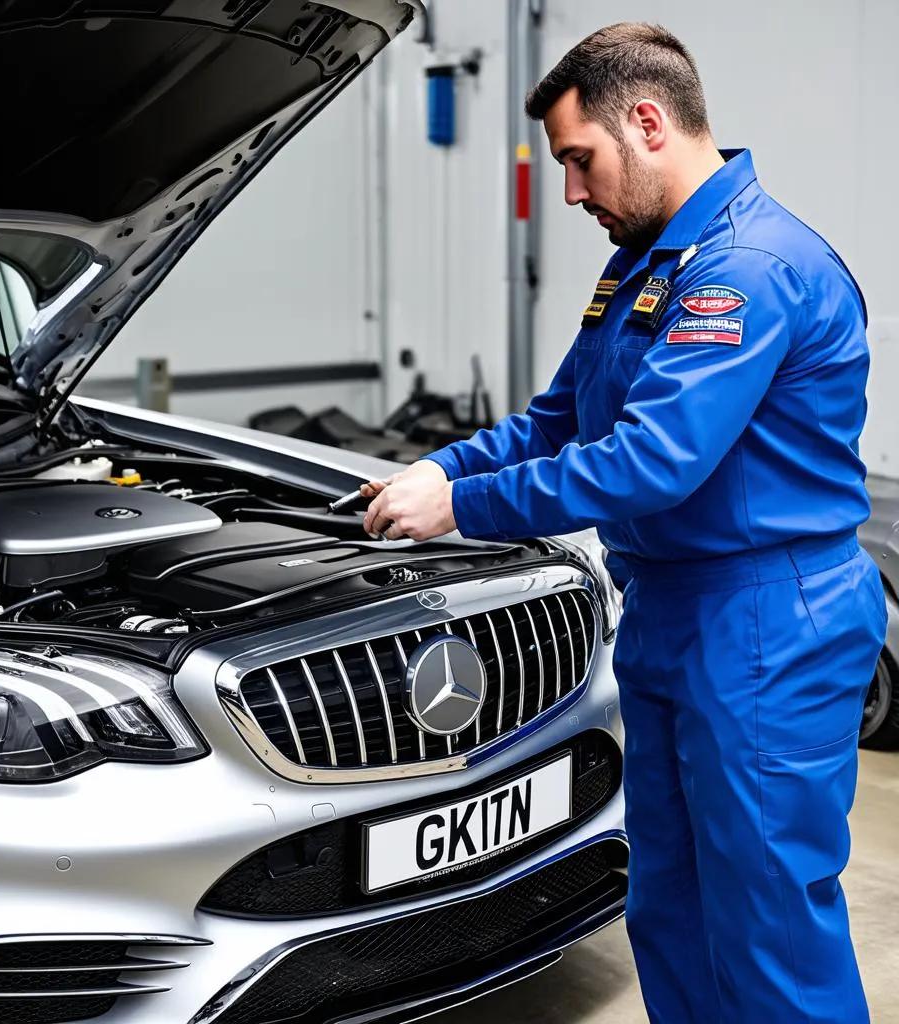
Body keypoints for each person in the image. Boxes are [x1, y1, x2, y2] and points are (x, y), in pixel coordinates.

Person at [360, 22, 886, 1024]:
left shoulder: (747, 271)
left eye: (578, 161)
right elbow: (554, 421)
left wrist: (459, 507)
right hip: (669, 614)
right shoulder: (645, 269)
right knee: (672, 909)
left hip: (768, 621)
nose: (570, 192)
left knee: (769, 921)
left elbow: (652, 462)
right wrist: (438, 466)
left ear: (646, 122)